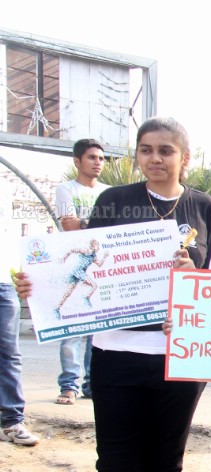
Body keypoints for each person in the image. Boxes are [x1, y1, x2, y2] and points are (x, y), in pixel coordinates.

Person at [19, 117, 211, 472]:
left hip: (180, 360)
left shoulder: (205, 210)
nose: (154, 158)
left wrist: (194, 276)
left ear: (184, 155)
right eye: (145, 150)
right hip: (114, 356)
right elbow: (81, 266)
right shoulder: (113, 202)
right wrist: (36, 287)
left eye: (165, 150)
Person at [54, 138, 108, 405]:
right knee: (72, 330)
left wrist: (86, 223)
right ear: (77, 161)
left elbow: (112, 232)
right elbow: (70, 226)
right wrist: (94, 225)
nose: (98, 162)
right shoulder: (66, 190)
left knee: (98, 332)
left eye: (101, 158)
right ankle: (69, 385)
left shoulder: (109, 192)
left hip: (102, 267)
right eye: (92, 157)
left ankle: (91, 385)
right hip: (75, 265)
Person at [1, 181, 39, 446]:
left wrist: (20, 278)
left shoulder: (4, 188)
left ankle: (13, 421)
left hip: (4, 284)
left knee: (9, 354)